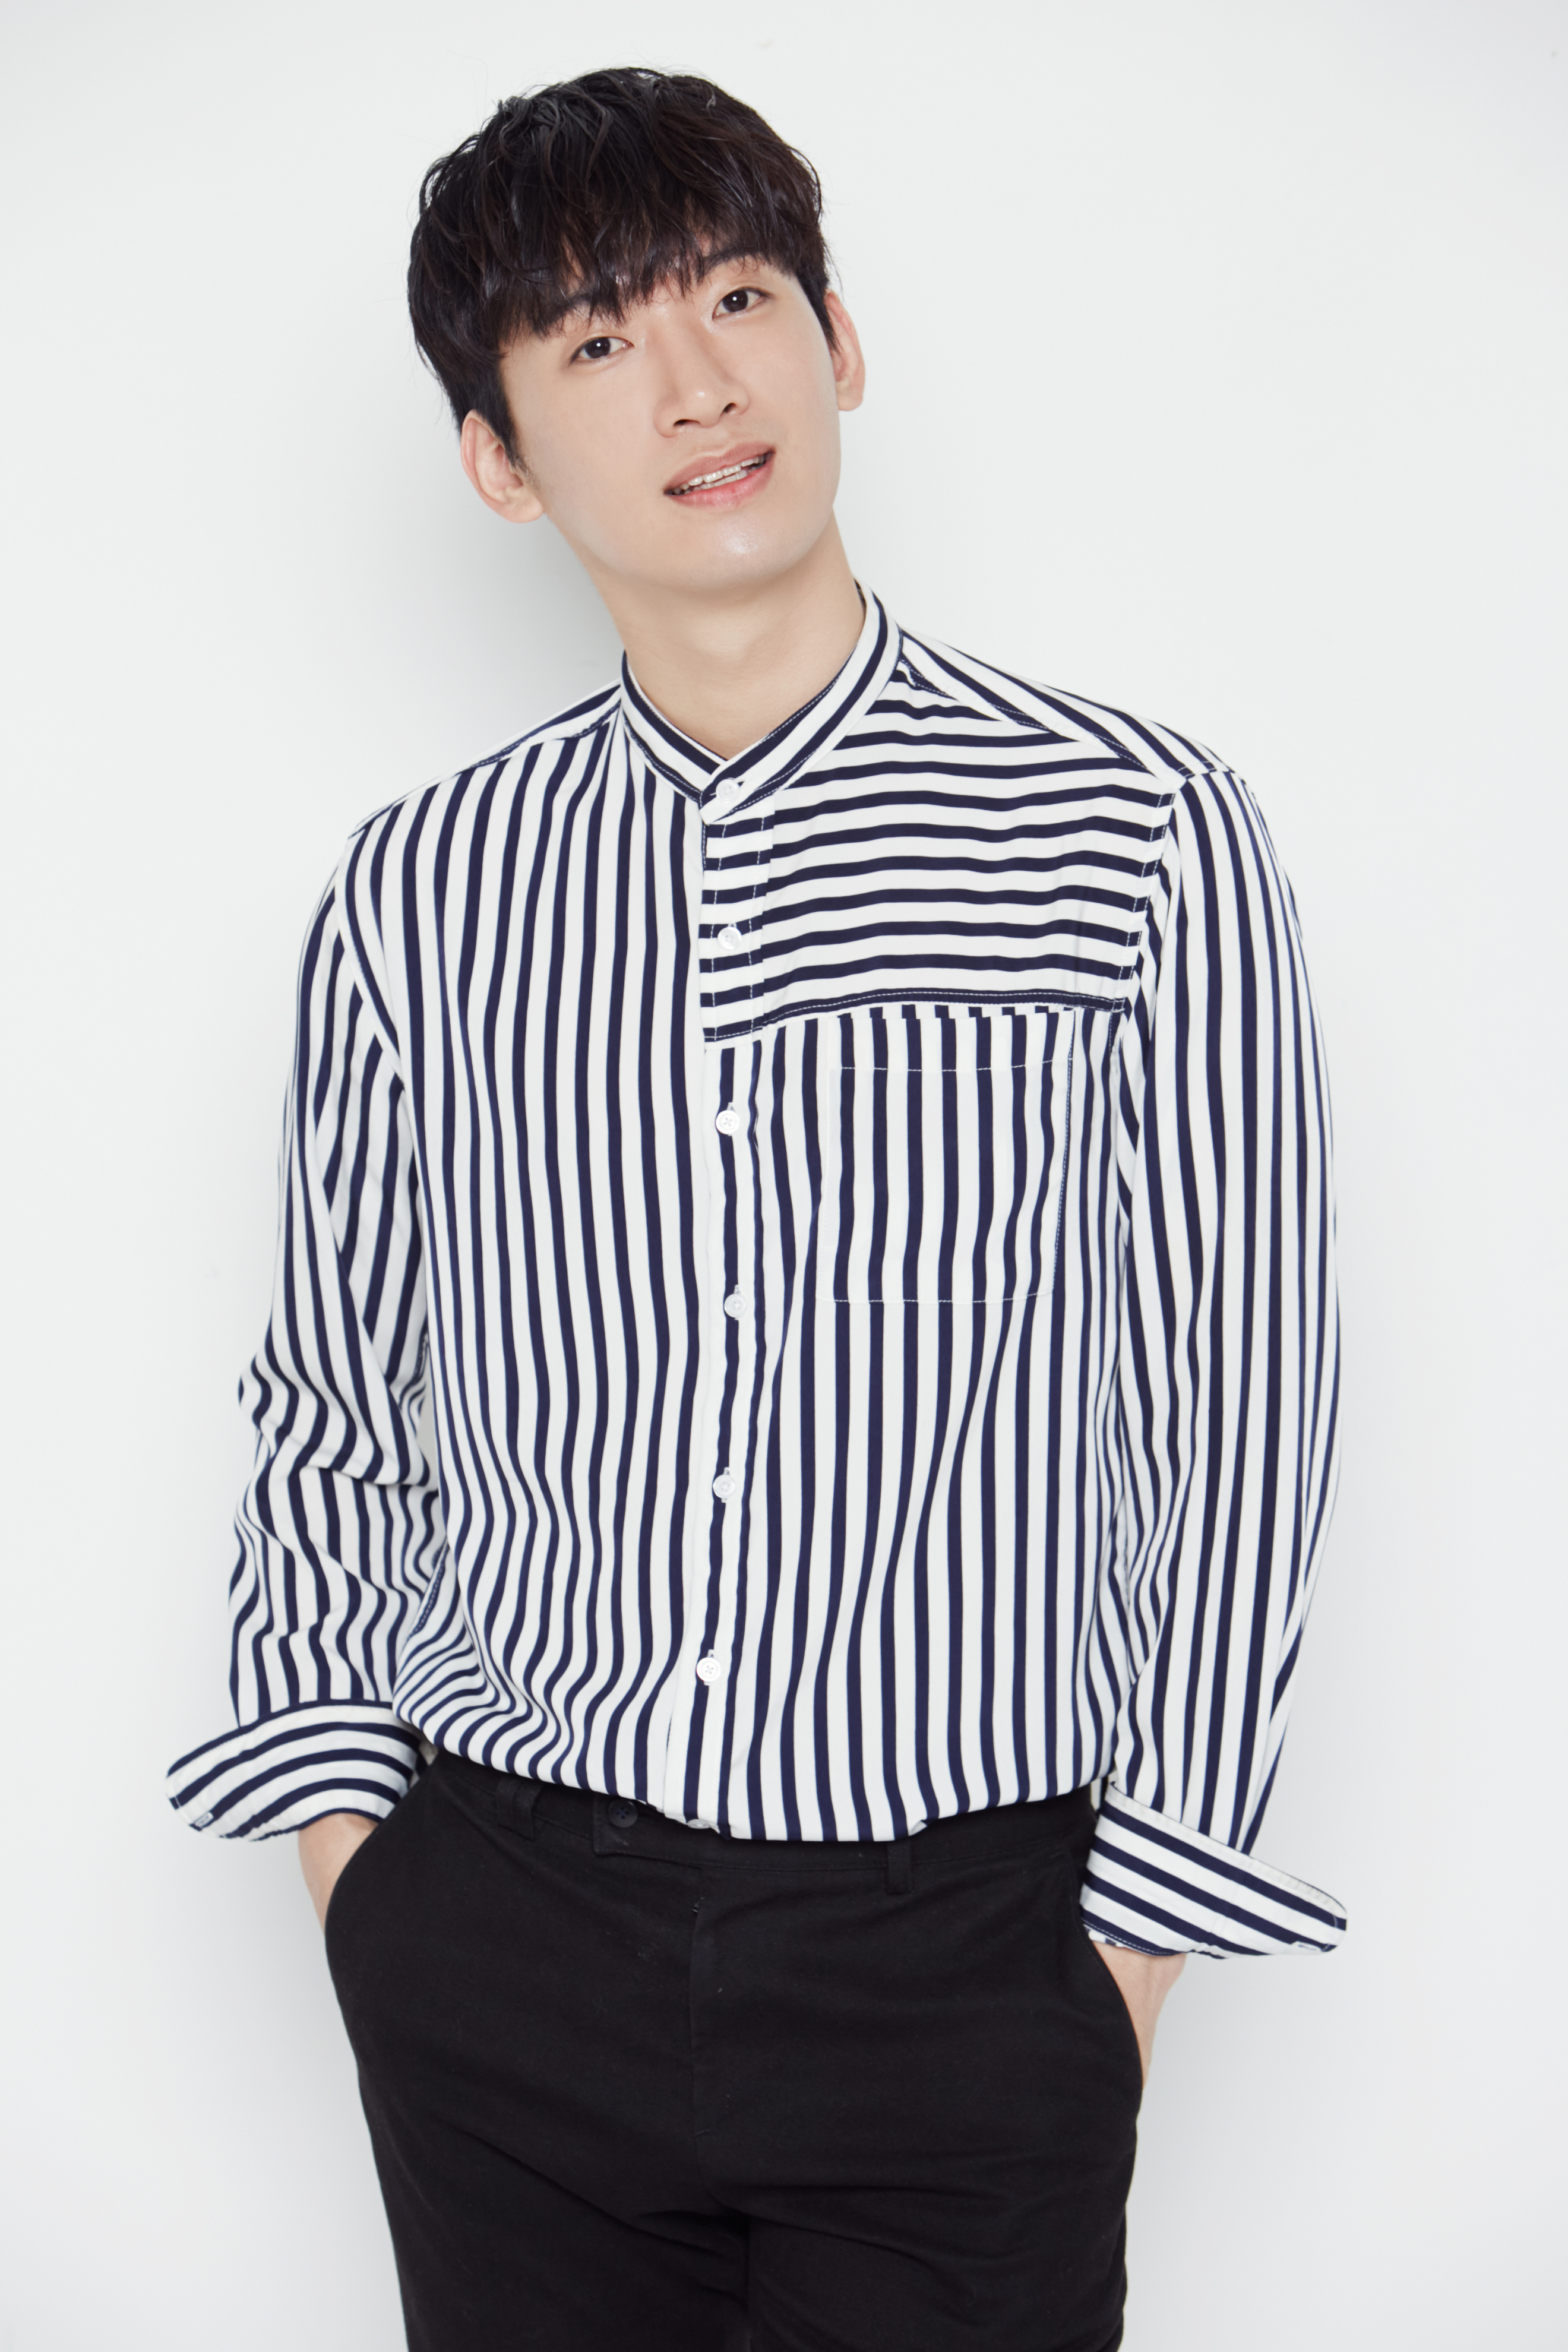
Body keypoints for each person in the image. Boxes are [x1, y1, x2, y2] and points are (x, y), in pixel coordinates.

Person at [167, 65, 1345, 2352]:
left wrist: (1116, 1973)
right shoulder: (422, 890)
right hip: (502, 1926)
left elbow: (1237, 1420)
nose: (697, 384)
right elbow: (334, 1398)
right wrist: (358, 1880)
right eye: (599, 338)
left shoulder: (1133, 835)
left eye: (737, 298)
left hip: (963, 1959)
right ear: (500, 458)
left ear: (841, 342)